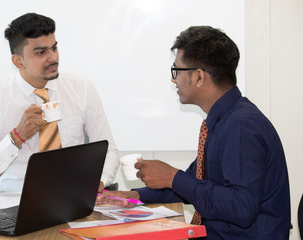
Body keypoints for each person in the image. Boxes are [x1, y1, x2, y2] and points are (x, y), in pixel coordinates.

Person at [97, 26, 291, 239]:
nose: (173, 80)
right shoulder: (224, 120)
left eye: (176, 71)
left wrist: (172, 177)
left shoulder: (240, 126)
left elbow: (241, 207)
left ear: (198, 77)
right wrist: (131, 196)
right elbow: (194, 183)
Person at [0, 13, 119, 192]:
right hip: (17, 201)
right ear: (18, 61)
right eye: (41, 52)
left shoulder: (81, 88)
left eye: (54, 48)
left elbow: (108, 149)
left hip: (73, 197)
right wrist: (16, 137)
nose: (53, 58)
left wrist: (98, 182)